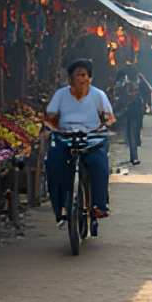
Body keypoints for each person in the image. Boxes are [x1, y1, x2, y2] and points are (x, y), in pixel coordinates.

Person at [44, 59, 116, 225]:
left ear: (89, 78)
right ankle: (60, 206)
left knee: (99, 163)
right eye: (77, 75)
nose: (81, 79)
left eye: (84, 75)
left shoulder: (98, 95)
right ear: (70, 78)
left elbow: (109, 117)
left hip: (91, 138)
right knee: (53, 162)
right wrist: (55, 127)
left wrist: (104, 123)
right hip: (65, 137)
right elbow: (50, 118)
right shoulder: (60, 95)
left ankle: (99, 205)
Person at [124, 83, 145, 166]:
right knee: (131, 140)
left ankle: (133, 157)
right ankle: (133, 157)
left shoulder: (136, 99)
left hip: (134, 121)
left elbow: (141, 111)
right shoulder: (131, 99)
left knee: (132, 140)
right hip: (130, 121)